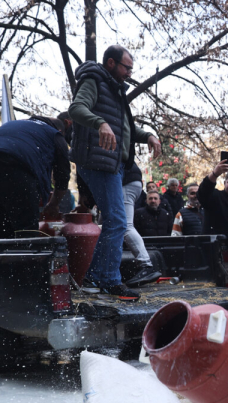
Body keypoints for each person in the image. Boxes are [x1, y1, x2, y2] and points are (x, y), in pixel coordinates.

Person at [69, 44, 162, 299]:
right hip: (98, 162)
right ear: (111, 63)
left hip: (114, 165)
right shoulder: (94, 80)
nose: (130, 73)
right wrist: (100, 123)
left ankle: (94, 277)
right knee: (118, 221)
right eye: (126, 67)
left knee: (114, 221)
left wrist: (149, 135)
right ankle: (108, 278)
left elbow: (126, 131)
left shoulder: (115, 90)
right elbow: (76, 109)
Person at [0, 115, 68, 239]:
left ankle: (6, 256)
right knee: (26, 230)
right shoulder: (55, 134)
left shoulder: (17, 125)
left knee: (2, 227)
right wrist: (54, 204)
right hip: (16, 164)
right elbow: (62, 176)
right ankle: (27, 256)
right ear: (61, 130)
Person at [122, 163, 162, 286]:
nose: (153, 201)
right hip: (131, 176)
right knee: (117, 225)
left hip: (124, 178)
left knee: (125, 226)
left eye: (156, 199)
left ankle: (146, 264)